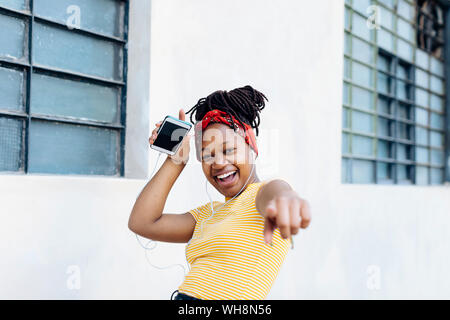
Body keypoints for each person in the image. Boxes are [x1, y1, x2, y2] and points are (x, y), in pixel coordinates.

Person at [128, 85, 311, 300]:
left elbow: (276, 193)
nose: (218, 162)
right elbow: (142, 222)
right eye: (207, 155)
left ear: (252, 146)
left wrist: (286, 200)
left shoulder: (263, 195)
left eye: (229, 150)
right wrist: (175, 161)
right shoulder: (207, 214)